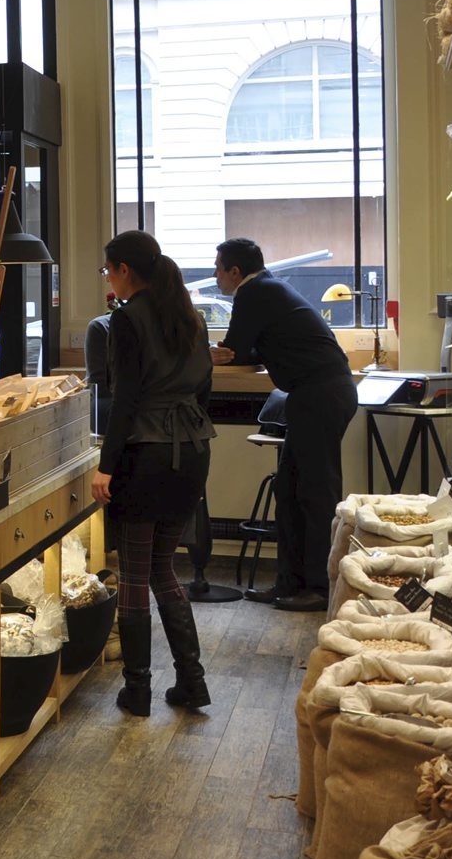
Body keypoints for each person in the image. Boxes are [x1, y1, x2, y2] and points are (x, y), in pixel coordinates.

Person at [93, 230, 215, 717]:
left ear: (124, 270)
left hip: (145, 456)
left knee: (133, 575)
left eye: (108, 270)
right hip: (193, 451)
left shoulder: (125, 321)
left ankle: (137, 689)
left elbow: (123, 400)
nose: (108, 279)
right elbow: (204, 388)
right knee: (164, 568)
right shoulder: (191, 318)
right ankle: (192, 682)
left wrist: (106, 466)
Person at [209, 237, 357, 613]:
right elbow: (256, 346)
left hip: (319, 394)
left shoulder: (254, 292)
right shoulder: (269, 287)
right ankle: (289, 581)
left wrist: (215, 353)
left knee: (314, 493)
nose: (215, 275)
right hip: (320, 392)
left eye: (218, 268)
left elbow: (237, 349)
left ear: (235, 272)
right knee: (289, 491)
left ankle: (320, 587)